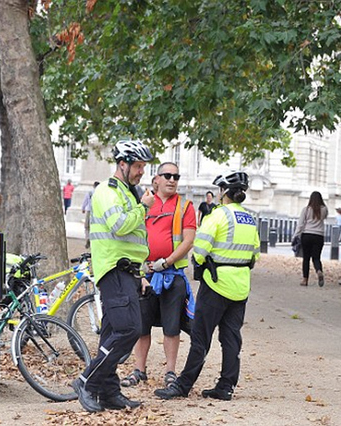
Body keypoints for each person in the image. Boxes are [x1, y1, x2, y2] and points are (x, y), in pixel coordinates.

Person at [154, 171, 260, 401]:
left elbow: (200, 250)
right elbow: (255, 254)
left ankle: (183, 386)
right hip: (240, 285)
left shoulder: (217, 215)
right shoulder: (250, 219)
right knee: (231, 338)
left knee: (201, 338)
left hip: (215, 284)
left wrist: (202, 263)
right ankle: (226, 386)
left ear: (223, 193)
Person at [72, 140, 155, 413]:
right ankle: (87, 381)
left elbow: (135, 241)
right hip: (113, 270)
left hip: (128, 272)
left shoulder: (129, 193)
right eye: (138, 166)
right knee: (128, 329)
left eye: (143, 166)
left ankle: (109, 392)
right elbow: (119, 226)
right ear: (123, 164)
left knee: (110, 332)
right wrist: (143, 208)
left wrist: (141, 274)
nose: (141, 171)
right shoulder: (108, 192)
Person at [121, 162, 196, 388]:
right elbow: (131, 236)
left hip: (172, 275)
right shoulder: (143, 203)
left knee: (171, 328)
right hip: (145, 275)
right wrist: (143, 268)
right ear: (157, 179)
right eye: (167, 176)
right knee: (142, 327)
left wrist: (167, 262)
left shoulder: (185, 206)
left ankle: (170, 372)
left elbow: (189, 239)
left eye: (176, 176)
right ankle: (138, 370)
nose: (172, 180)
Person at [293, 191, 328, 287]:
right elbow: (324, 218)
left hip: (307, 234)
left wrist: (295, 235)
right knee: (316, 258)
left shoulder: (306, 209)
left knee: (306, 258)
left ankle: (305, 279)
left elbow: (300, 224)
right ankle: (319, 271)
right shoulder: (324, 209)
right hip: (319, 235)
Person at [81, 181, 100, 249]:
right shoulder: (100, 193)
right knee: (94, 227)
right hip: (97, 212)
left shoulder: (89, 193)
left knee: (87, 226)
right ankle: (93, 241)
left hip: (89, 210)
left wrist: (83, 208)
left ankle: (87, 238)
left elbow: (85, 201)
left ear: (93, 186)